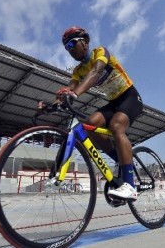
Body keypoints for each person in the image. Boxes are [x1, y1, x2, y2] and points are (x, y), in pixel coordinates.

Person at [53, 26, 143, 200]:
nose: (69, 50)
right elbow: (70, 88)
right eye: (66, 47)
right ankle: (120, 159)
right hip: (114, 102)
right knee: (90, 125)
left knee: (117, 126)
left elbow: (95, 72)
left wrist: (75, 93)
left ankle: (130, 186)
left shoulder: (100, 52)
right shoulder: (78, 71)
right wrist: (54, 103)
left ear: (85, 42)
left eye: (72, 44)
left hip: (130, 96)